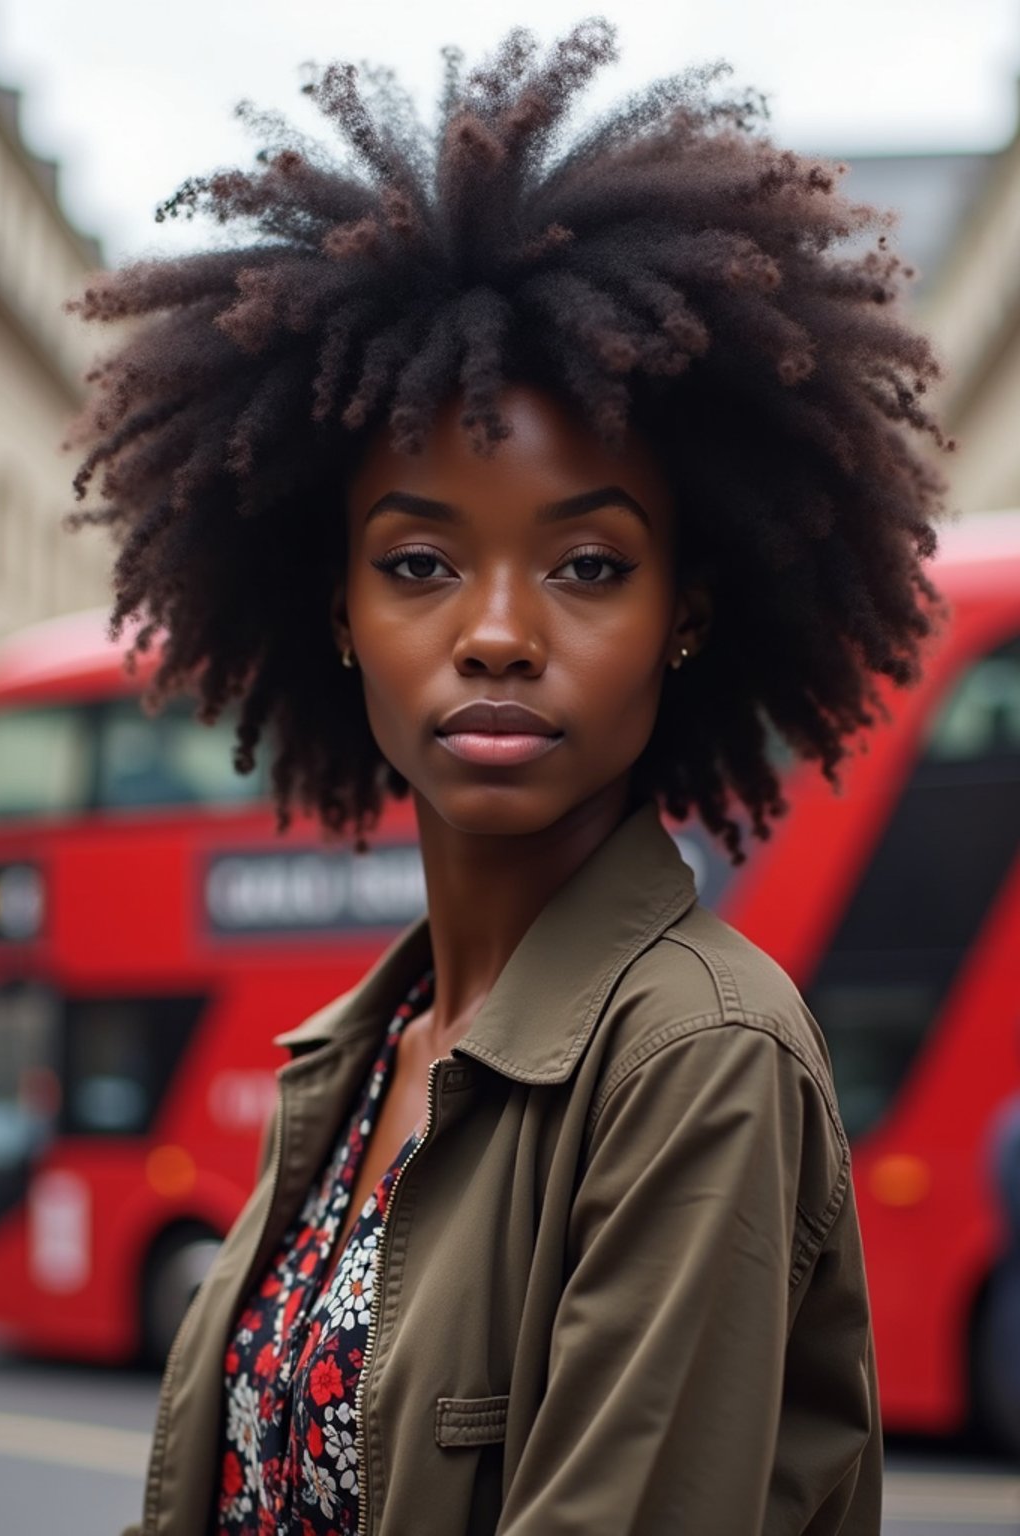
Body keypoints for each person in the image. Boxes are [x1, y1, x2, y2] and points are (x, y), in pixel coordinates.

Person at [68, 20, 949, 1535]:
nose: (495, 633)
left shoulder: (698, 1057)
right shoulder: (357, 1057)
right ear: (335, 609)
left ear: (688, 617)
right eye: (419, 562)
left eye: (588, 565)